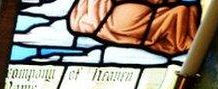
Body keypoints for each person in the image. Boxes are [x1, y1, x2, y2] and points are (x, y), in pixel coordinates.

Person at [69, 0, 206, 56]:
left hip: (112, 24)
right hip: (124, 16)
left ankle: (183, 40)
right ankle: (183, 40)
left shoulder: (86, 11)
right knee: (180, 12)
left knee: (178, 12)